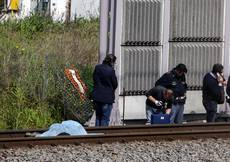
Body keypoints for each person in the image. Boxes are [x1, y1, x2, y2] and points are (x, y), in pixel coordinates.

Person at [92, 54, 118, 126]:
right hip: (107, 98)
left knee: (98, 117)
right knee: (105, 118)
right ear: (111, 62)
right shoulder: (111, 71)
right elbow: (115, 84)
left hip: (97, 97)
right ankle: (103, 135)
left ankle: (97, 135)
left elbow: (94, 79)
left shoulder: (97, 68)